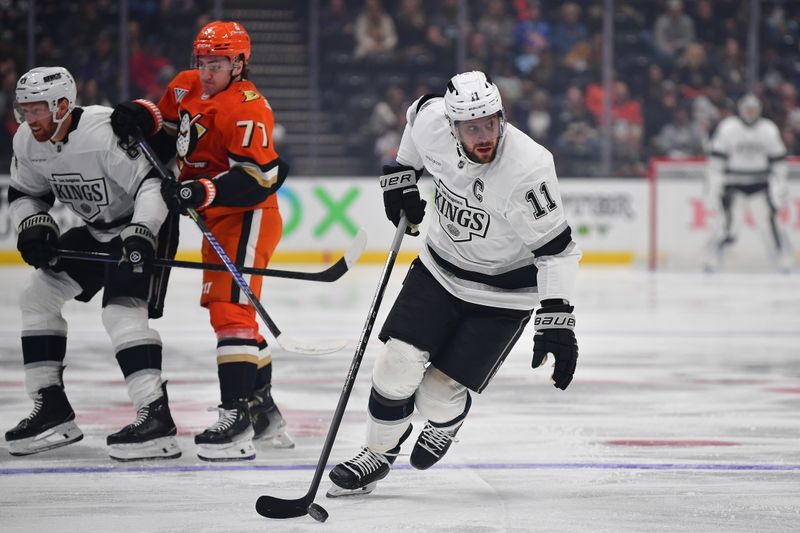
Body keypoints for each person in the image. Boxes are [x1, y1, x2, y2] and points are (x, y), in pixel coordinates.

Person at [327, 71, 581, 496]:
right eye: (471, 127)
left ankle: (449, 418)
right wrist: (402, 173)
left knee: (435, 397)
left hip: (502, 295)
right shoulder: (432, 121)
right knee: (395, 366)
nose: (484, 136)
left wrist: (557, 319)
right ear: (452, 126)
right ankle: (377, 453)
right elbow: (415, 115)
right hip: (439, 269)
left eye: (490, 123)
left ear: (502, 116)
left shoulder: (528, 169)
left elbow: (558, 250)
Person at [109, 21, 292, 461]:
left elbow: (262, 178)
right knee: (232, 314)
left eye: (218, 63)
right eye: (204, 61)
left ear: (239, 63)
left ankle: (237, 419)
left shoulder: (248, 108)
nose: (207, 71)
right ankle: (263, 414)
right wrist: (140, 115)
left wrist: (199, 189)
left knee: (231, 312)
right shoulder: (185, 86)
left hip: (248, 217)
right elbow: (169, 132)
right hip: (215, 219)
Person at [5, 66, 181, 461]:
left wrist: (142, 231)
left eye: (37, 110)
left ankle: (156, 417)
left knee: (120, 313)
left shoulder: (101, 133)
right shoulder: (27, 142)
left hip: (145, 224)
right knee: (37, 298)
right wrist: (34, 224)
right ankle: (52, 408)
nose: (28, 119)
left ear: (63, 105)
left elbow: (151, 184)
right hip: (98, 229)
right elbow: (24, 193)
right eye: (24, 110)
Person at [704, 93, 793, 272]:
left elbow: (778, 162)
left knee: (771, 225)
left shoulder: (768, 129)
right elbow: (716, 163)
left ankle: (783, 260)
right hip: (733, 183)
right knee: (728, 227)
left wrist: (780, 185)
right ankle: (712, 259)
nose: (750, 113)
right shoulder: (728, 128)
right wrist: (713, 186)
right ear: (741, 109)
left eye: (753, 109)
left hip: (760, 183)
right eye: (747, 109)